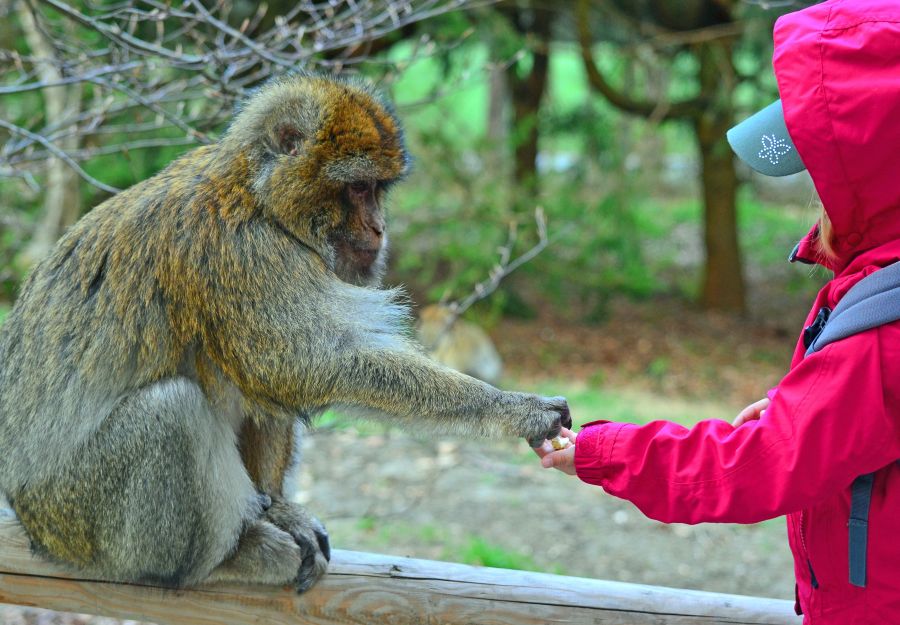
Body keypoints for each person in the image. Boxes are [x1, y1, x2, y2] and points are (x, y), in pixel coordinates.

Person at [536, 2, 900, 623]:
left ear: (870, 174)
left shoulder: (884, 329)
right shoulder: (879, 281)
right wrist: (814, 406)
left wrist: (607, 451)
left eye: (823, 170)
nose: (816, 194)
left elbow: (760, 466)